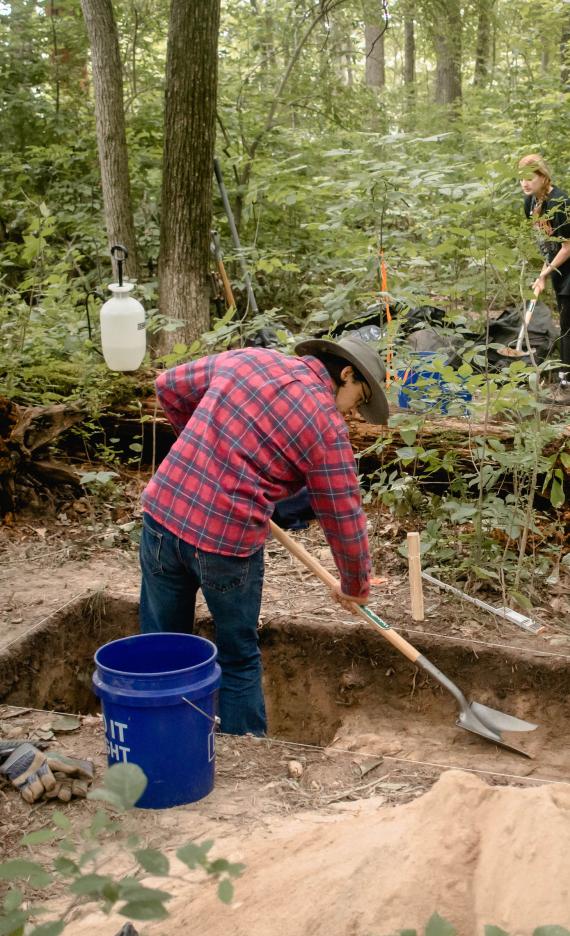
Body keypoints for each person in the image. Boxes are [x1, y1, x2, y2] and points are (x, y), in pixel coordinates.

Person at [139, 337, 388, 736]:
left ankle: (159, 738)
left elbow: (169, 385)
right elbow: (343, 514)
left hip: (163, 513)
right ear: (345, 373)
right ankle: (246, 756)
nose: (356, 411)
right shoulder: (325, 424)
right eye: (360, 396)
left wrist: (202, 449)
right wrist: (355, 585)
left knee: (161, 644)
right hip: (226, 541)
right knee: (237, 658)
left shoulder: (250, 360)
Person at [518, 154, 570, 399]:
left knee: (568, 327)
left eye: (530, 177)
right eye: (521, 179)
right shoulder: (530, 204)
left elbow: (568, 247)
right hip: (560, 269)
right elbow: (545, 243)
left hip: (567, 267)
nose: (525, 183)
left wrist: (545, 273)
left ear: (543, 176)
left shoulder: (562, 202)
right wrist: (543, 272)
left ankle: (566, 385)